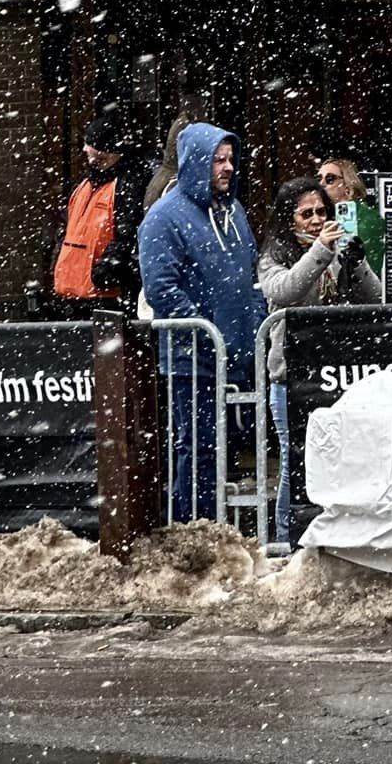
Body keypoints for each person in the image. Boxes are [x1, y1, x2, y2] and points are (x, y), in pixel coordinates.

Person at [137, 122, 265, 522]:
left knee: (229, 450)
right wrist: (206, 334)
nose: (227, 167)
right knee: (197, 449)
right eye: (217, 160)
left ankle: (222, 530)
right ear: (195, 162)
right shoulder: (164, 217)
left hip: (239, 355)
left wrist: (254, 321)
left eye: (230, 159)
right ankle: (194, 532)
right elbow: (162, 289)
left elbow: (251, 274)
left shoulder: (234, 210)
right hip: (193, 361)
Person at [259, 177, 381, 543]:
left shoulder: (336, 249)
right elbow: (285, 291)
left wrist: (357, 264)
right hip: (290, 374)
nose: (315, 220)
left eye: (321, 212)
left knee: (338, 463)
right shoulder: (274, 254)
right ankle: (285, 538)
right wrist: (320, 253)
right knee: (293, 464)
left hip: (331, 370)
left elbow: (375, 299)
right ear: (289, 218)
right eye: (306, 213)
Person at [50, 111, 146, 311]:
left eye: (90, 144)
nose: (85, 149)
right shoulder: (85, 185)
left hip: (101, 297)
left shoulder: (126, 185)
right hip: (74, 292)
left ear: (106, 151)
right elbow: (67, 229)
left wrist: (105, 272)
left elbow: (126, 237)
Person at [316, 155, 386, 282]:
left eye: (330, 179)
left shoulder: (368, 219)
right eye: (318, 179)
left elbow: (370, 271)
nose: (321, 184)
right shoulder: (321, 217)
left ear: (348, 186)